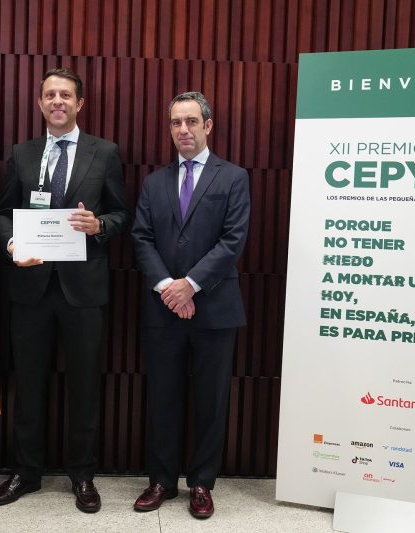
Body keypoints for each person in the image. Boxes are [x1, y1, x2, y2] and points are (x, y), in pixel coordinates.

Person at [0, 67, 129, 513]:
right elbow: (2, 213)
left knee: (84, 387)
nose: (57, 102)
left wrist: (99, 225)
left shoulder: (105, 153)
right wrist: (12, 244)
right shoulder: (23, 153)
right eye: (50, 95)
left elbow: (121, 214)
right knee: (28, 385)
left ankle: (82, 474)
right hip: (30, 285)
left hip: (83, 290)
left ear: (79, 104)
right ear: (40, 103)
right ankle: (25, 472)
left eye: (65, 95)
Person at [130, 91, 250, 519]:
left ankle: (202, 483)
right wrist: (169, 287)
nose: (183, 129)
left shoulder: (233, 177)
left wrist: (191, 285)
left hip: (215, 309)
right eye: (176, 122)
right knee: (163, 396)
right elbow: (141, 237)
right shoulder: (154, 182)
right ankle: (161, 480)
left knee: (211, 401)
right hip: (163, 309)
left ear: (208, 125)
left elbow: (233, 239)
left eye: (192, 121)